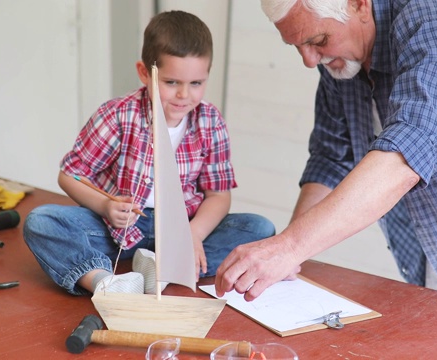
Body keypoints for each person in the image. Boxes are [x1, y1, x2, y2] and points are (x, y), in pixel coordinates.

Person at [215, 0, 437, 321]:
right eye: (297, 46)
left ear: (359, 5)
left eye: (318, 41)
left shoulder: (436, 19)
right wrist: (291, 256)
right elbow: (331, 159)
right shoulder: (342, 64)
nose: (310, 61)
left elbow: (406, 156)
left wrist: (289, 246)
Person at [23, 10, 275, 296]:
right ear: (145, 72)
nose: (184, 95)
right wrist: (105, 207)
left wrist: (193, 235)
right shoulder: (118, 114)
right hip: (118, 228)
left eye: (196, 83)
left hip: (184, 226)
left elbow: (218, 195)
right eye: (171, 83)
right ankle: (105, 282)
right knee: (42, 222)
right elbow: (71, 176)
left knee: (259, 229)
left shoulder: (210, 120)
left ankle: (160, 270)